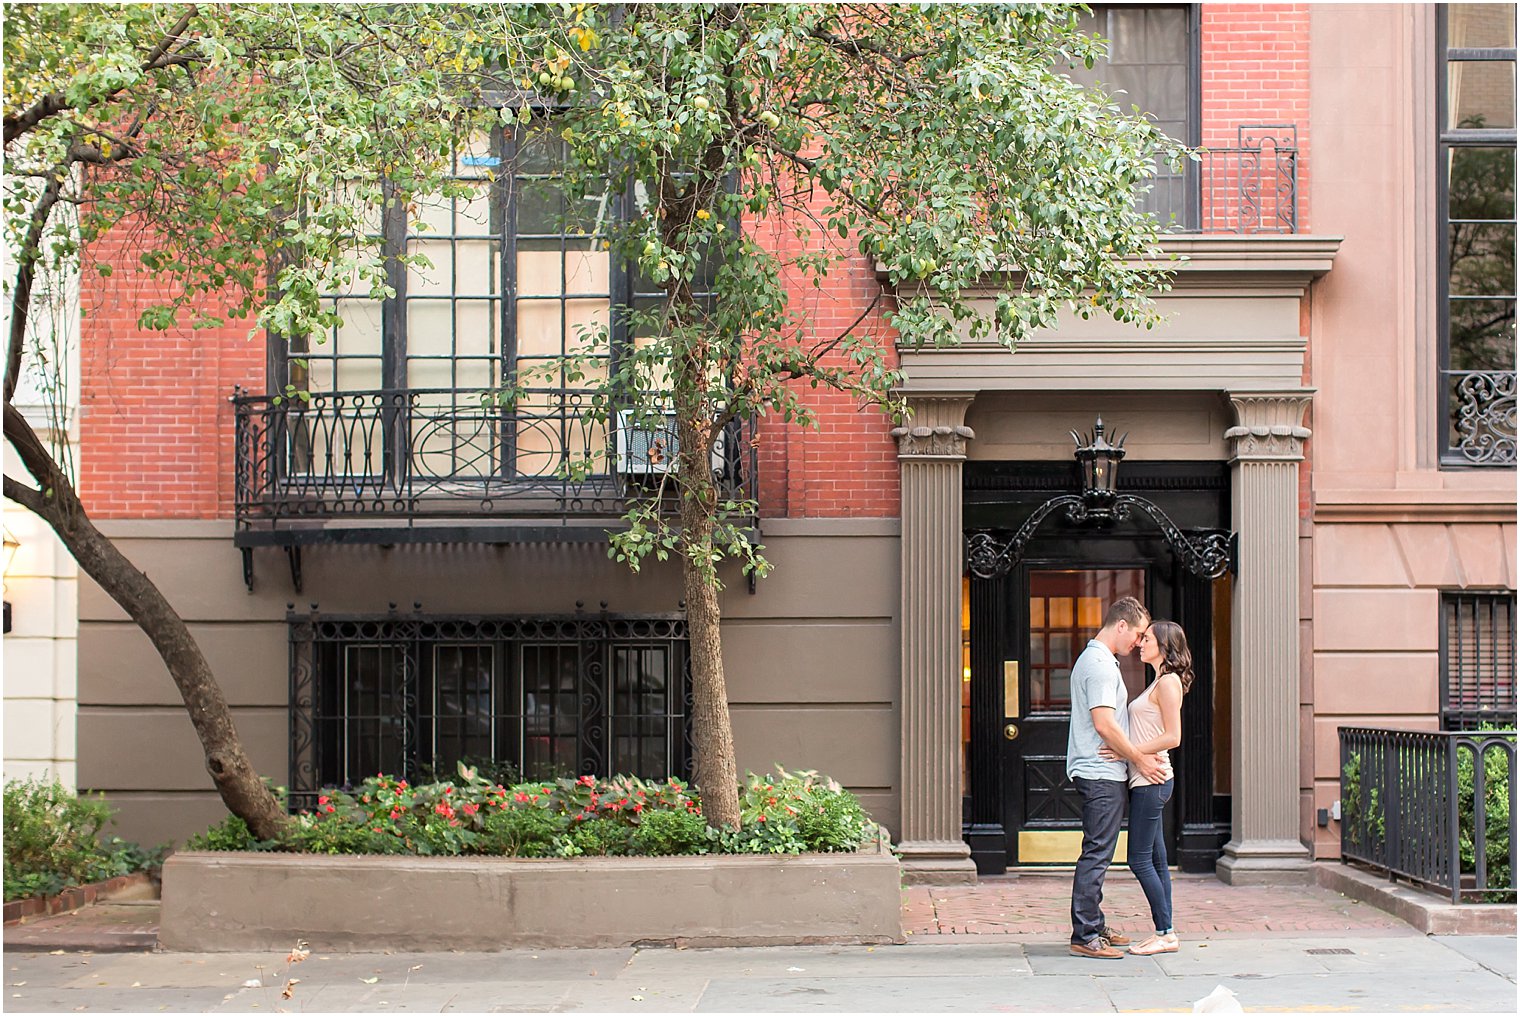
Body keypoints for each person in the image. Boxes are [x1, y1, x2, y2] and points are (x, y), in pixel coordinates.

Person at [1067, 596, 1166, 960]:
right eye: (1138, 633)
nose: (1139, 642)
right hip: (1100, 773)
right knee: (1097, 852)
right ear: (1120, 625)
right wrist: (1139, 758)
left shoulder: (1096, 660)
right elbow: (1104, 723)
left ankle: (1093, 921)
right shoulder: (1101, 667)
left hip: (1101, 770)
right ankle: (1086, 933)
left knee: (1100, 850)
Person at [1101, 619, 1191, 956]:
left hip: (1152, 779)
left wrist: (1131, 751)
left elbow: (1173, 736)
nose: (1141, 643)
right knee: (1156, 858)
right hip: (1146, 778)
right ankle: (1166, 931)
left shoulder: (1168, 683)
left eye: (1148, 639)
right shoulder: (1159, 681)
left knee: (1138, 860)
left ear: (1165, 646)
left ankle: (1165, 932)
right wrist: (1129, 749)